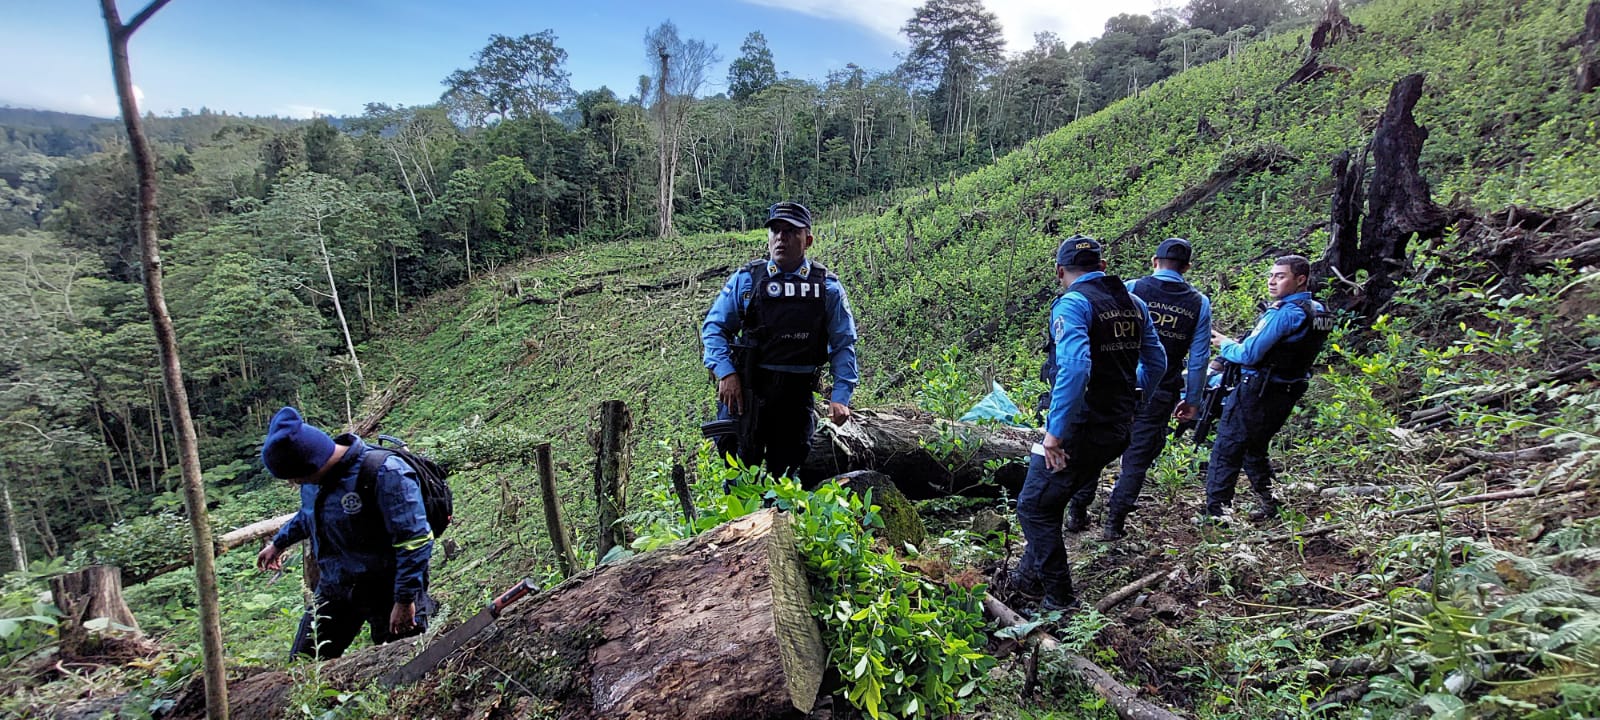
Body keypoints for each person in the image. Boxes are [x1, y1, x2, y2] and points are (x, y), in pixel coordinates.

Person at [1010, 236, 1165, 611]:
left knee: (1034, 508)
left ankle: (1059, 601)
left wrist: (1055, 435)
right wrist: (1132, 398)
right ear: (1102, 266)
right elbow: (1157, 361)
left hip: (1081, 429)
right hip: (1118, 427)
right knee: (1053, 497)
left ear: (1061, 271)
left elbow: (1075, 368)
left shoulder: (1073, 304)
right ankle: (1025, 579)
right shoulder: (1135, 303)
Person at [255, 407, 434, 660]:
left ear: (312, 465)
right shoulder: (313, 483)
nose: (293, 484)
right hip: (335, 585)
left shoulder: (385, 472)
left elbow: (415, 540)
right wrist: (279, 543)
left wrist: (404, 600)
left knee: (406, 664)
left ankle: (426, 610)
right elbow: (309, 515)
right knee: (303, 663)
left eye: (295, 478)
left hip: (388, 589)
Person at [701, 201, 859, 480]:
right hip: (746, 395)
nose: (780, 238)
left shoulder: (827, 288)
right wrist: (725, 373)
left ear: (807, 240)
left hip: (794, 399)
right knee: (738, 480)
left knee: (784, 484)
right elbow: (714, 328)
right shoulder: (748, 280)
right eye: (775, 231)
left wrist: (841, 396)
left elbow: (843, 343)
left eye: (790, 232)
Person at [1204, 254, 1333, 523]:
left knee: (1227, 447)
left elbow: (1249, 354)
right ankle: (1270, 503)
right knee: (1255, 447)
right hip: (1287, 389)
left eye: (1280, 276)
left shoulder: (1285, 313)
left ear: (1301, 279)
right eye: (1271, 276)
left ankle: (1216, 515)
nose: (1272, 282)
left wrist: (1225, 344)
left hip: (1259, 390)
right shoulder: (1318, 310)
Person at [1102, 238, 1212, 540]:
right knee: (1136, 459)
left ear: (1154, 261)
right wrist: (1193, 400)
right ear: (1187, 267)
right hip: (1161, 390)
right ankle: (1114, 523)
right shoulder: (1199, 303)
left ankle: (1077, 512)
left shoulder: (1133, 288)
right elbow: (1200, 357)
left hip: (1119, 384)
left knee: (1096, 444)